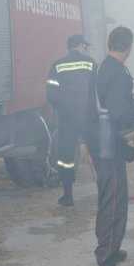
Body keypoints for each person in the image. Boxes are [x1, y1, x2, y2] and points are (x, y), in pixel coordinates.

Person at [90, 26, 134, 266]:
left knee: (114, 197)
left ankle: (112, 249)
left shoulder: (106, 67)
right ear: (129, 47)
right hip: (109, 146)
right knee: (113, 201)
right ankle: (106, 263)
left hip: (104, 144)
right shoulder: (117, 73)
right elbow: (121, 115)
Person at [46, 34, 96, 207]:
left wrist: (63, 109)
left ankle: (68, 196)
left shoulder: (57, 65)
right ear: (80, 45)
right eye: (85, 46)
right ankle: (105, 192)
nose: (86, 49)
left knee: (65, 158)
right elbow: (97, 92)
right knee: (95, 154)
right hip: (88, 118)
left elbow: (51, 95)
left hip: (66, 119)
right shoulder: (90, 63)